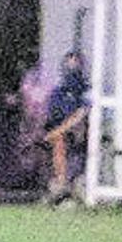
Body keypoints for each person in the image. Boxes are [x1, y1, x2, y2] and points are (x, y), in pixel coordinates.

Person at [44, 51, 90, 203]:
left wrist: (59, 130)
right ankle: (61, 182)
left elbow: (81, 115)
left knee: (61, 134)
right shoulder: (58, 92)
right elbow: (51, 118)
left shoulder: (86, 91)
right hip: (63, 134)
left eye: (75, 66)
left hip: (82, 133)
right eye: (68, 66)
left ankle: (68, 183)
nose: (71, 70)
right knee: (57, 139)